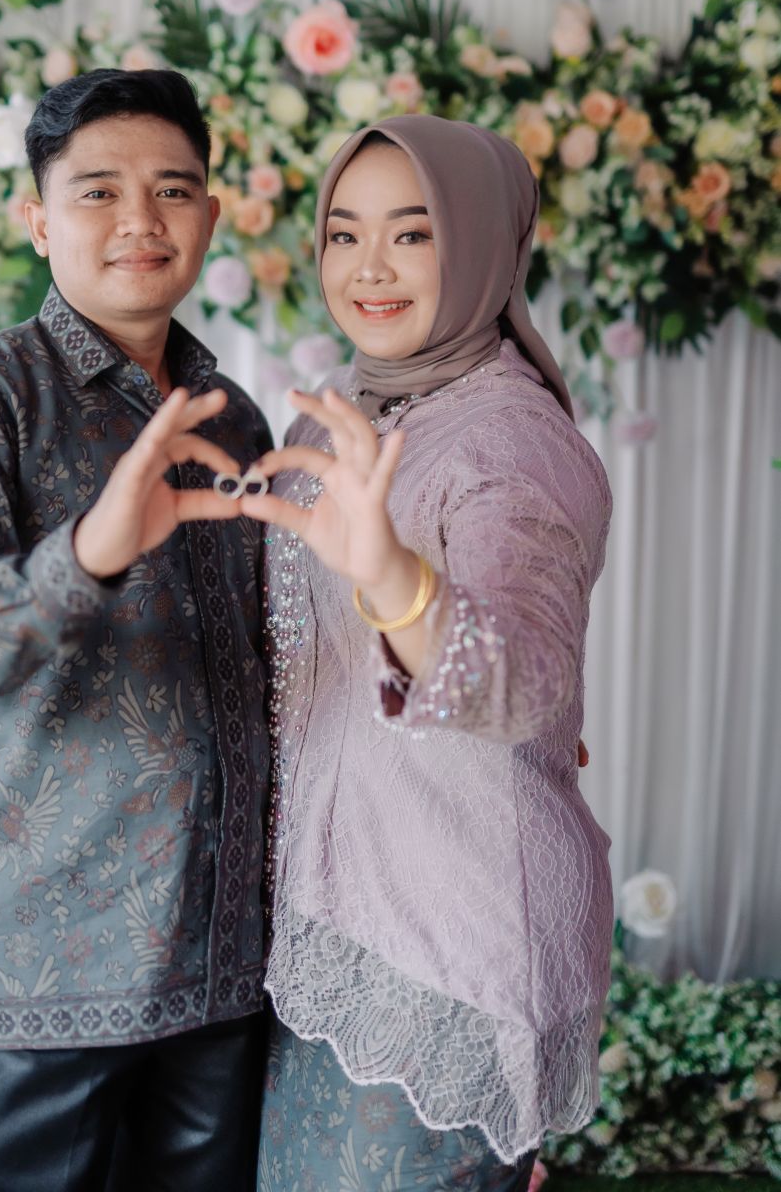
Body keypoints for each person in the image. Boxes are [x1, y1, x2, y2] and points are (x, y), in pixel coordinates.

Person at [0, 69, 272, 1192]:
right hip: (46, 962)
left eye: (173, 190)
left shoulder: (234, 420)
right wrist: (91, 552)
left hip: (223, 963)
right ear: (38, 218)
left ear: (211, 215)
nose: (140, 219)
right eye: (99, 191)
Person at [241, 117, 615, 1191]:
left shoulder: (512, 441)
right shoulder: (335, 423)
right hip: (328, 918)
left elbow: (524, 676)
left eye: (412, 234)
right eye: (344, 233)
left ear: (485, 245)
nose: (369, 268)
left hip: (447, 945)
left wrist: (395, 576)